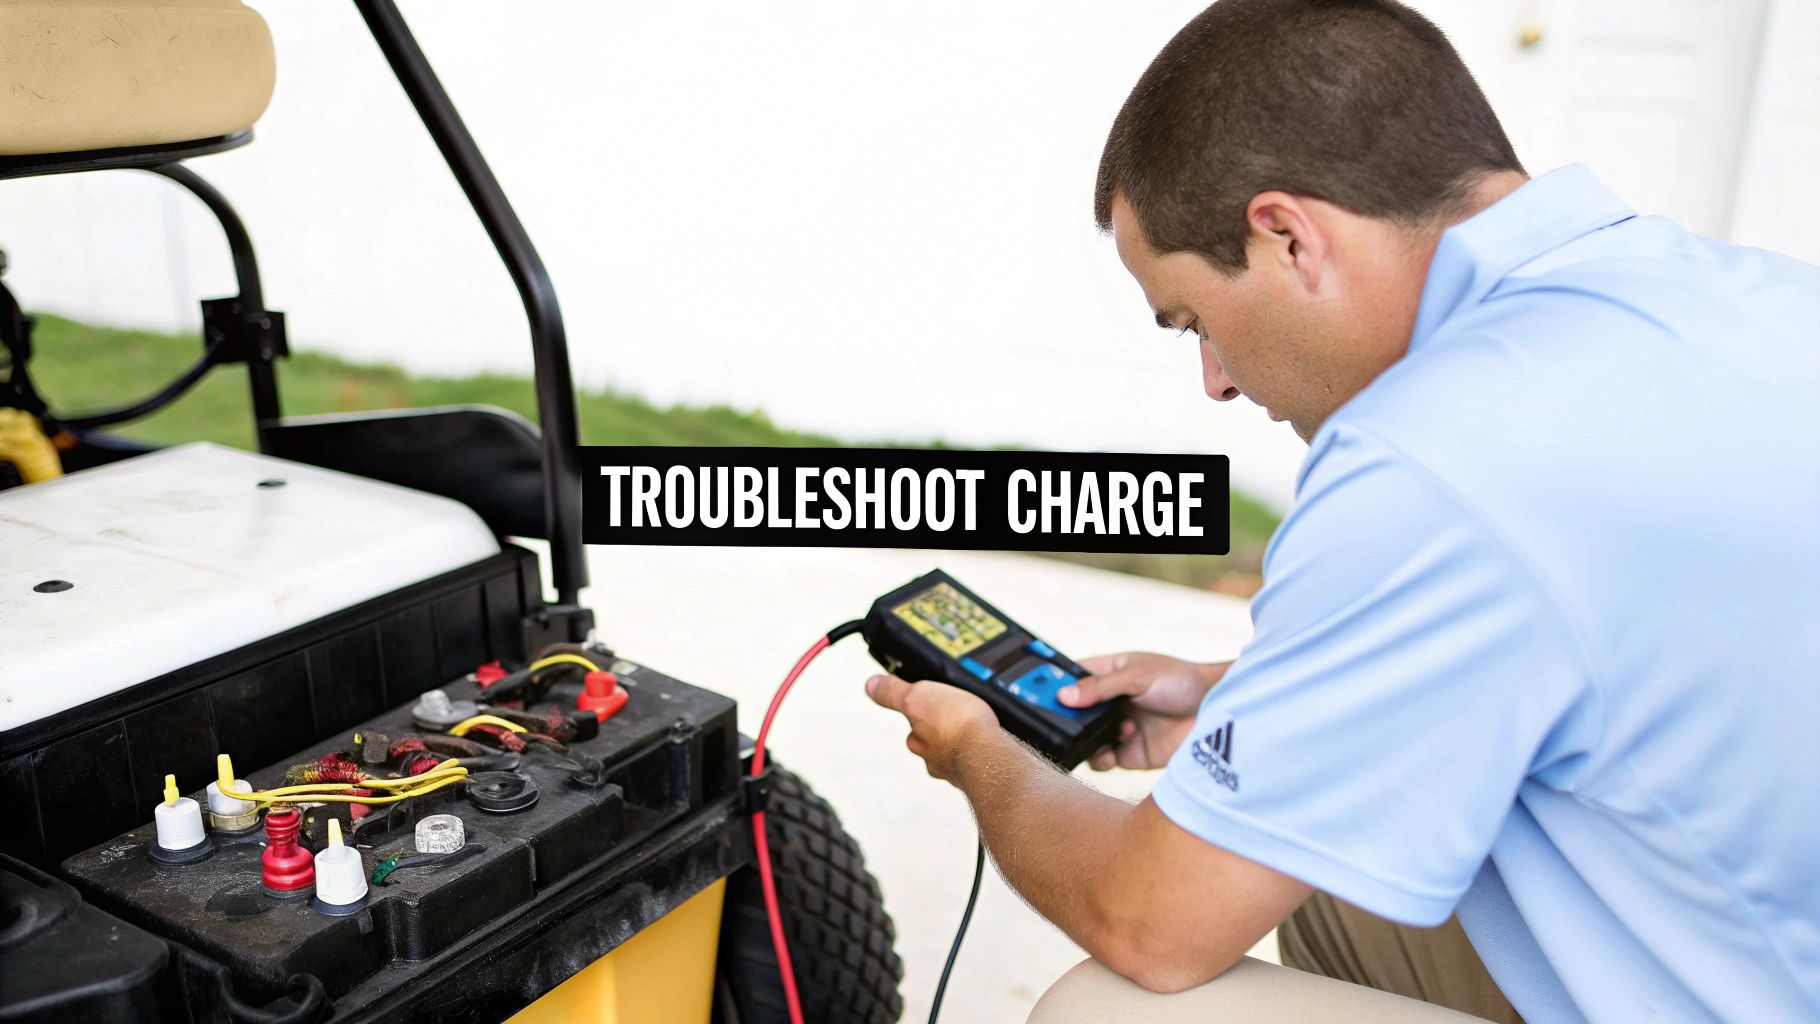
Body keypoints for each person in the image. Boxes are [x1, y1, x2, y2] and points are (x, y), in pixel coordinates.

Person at [862, 1, 1820, 1021]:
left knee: (1112, 1006)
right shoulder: (1754, 299)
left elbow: (1149, 921)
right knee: (1318, 865)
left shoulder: (1430, 457)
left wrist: (987, 756)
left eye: (1193, 320)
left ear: (1285, 237)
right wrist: (1243, 694)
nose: (1215, 380)